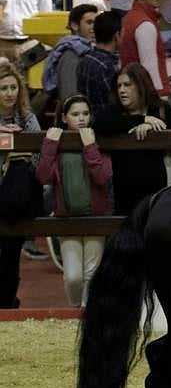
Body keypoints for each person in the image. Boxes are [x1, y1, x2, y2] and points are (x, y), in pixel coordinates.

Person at [36, 94, 112, 308]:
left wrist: (90, 147)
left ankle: (85, 317)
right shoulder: (58, 144)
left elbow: (102, 177)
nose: (81, 119)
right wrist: (50, 144)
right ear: (64, 117)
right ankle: (74, 311)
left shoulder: (97, 142)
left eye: (85, 114)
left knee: (91, 275)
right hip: (66, 220)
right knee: (73, 276)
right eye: (75, 114)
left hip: (95, 218)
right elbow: (43, 176)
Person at [94, 63, 171, 215]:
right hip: (126, 201)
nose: (122, 90)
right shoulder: (115, 112)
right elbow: (100, 124)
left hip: (162, 198)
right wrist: (141, 120)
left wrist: (153, 129)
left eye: (127, 85)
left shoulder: (161, 109)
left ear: (141, 85)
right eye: (119, 86)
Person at [0, 62, 41, 307]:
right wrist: (7, 140)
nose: (9, 93)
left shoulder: (28, 118)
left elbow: (39, 155)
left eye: (13, 87)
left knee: (12, 256)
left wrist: (21, 151)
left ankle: (7, 304)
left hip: (19, 198)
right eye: (3, 88)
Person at [119, 0, 169, 99]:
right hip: (146, 94)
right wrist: (158, 97)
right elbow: (149, 67)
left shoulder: (127, 19)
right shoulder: (145, 24)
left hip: (132, 91)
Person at [41, 4, 98, 103]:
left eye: (96, 23)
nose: (95, 27)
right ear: (74, 26)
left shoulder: (85, 50)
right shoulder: (72, 54)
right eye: (89, 23)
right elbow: (69, 95)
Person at [76, 10, 122, 115]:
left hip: (88, 122)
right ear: (117, 35)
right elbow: (118, 102)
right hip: (106, 124)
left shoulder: (85, 59)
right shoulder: (107, 66)